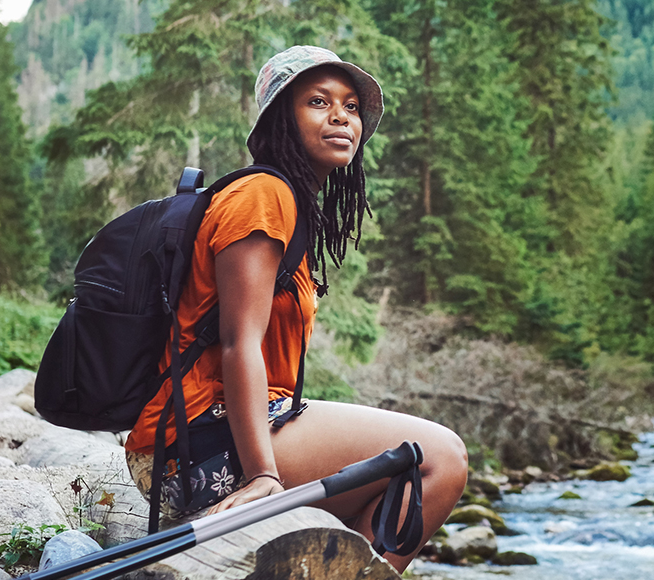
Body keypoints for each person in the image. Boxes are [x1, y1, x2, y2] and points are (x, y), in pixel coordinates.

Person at [123, 45, 468, 572]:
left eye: (351, 107)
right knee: (440, 458)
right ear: (281, 119)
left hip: (215, 435)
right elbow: (240, 342)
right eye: (317, 102)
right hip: (194, 447)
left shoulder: (288, 204)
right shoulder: (263, 194)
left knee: (406, 477)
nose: (340, 117)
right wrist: (264, 474)